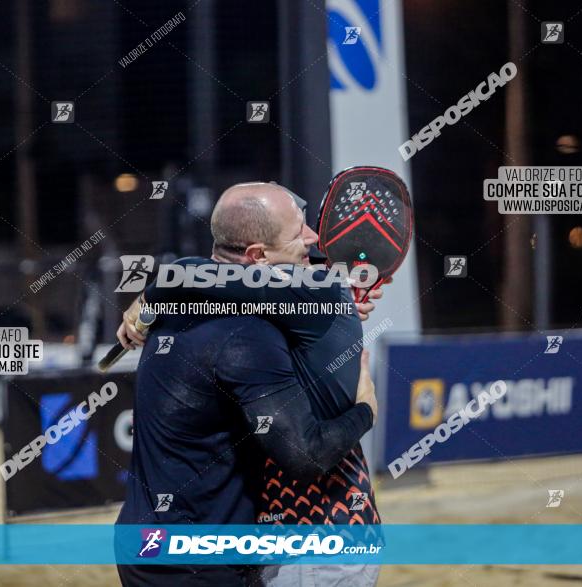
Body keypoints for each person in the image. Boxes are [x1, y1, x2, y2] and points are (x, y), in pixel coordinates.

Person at [119, 182, 385, 586]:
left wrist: (154, 295)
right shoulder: (258, 317)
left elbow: (195, 273)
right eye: (300, 231)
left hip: (319, 536)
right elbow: (213, 278)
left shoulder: (313, 296)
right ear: (258, 256)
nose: (315, 239)